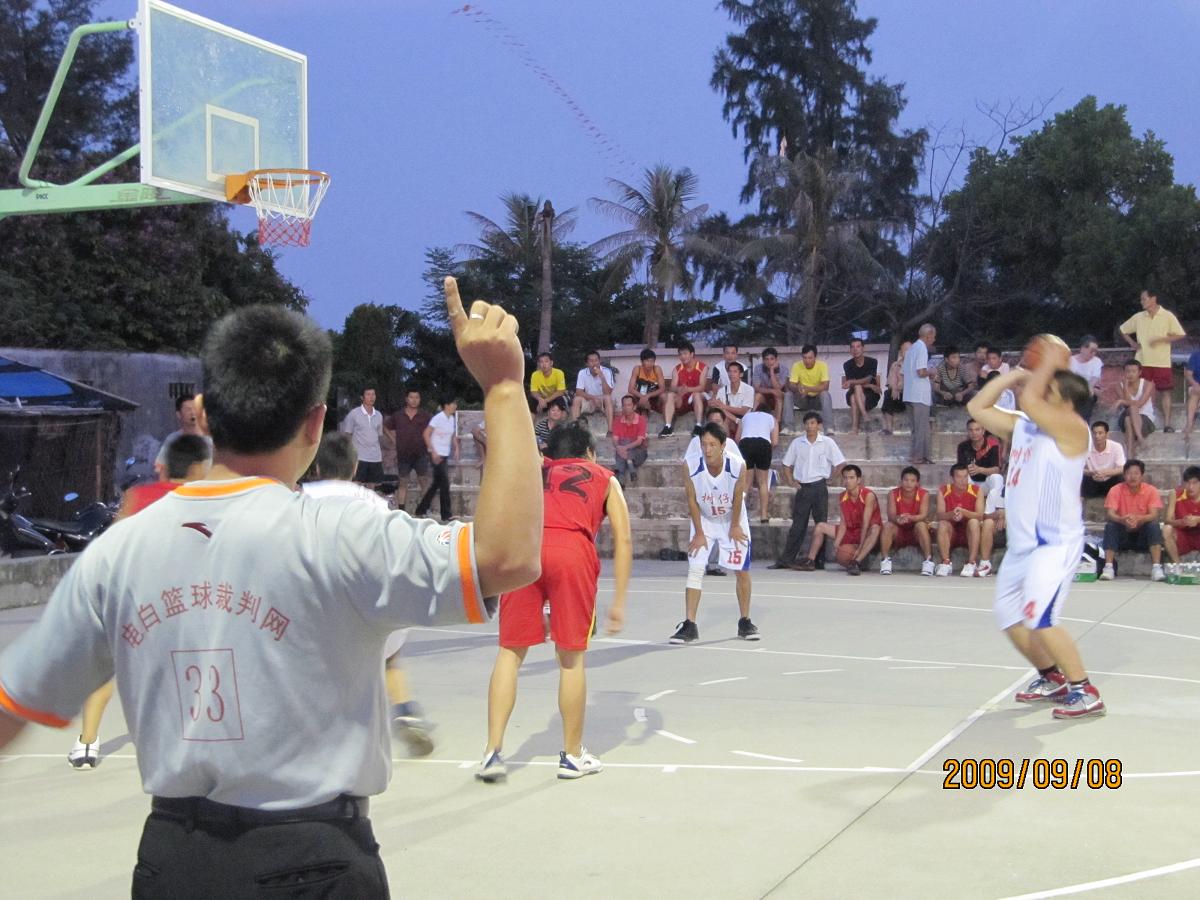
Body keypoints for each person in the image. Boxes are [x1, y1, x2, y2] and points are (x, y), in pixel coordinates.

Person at [0, 279, 543, 896]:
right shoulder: (341, 531)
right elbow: (507, 556)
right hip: (313, 858)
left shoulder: (117, 550)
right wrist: (503, 387)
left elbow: (13, 703)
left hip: (172, 860)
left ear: (204, 413)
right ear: (316, 423)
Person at [477, 422, 632, 783]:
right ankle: (572, 755)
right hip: (571, 552)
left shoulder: (535, 469)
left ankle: (492, 752)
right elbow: (623, 539)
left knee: (510, 653)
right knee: (571, 658)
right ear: (590, 453)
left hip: (526, 549)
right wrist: (619, 602)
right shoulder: (604, 477)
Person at [967, 337, 1106, 718]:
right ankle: (1051, 677)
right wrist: (1014, 374)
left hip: (1054, 544)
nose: (1039, 388)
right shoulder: (1025, 425)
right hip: (1022, 545)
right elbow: (977, 407)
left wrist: (1047, 362)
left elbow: (1030, 399)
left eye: (1049, 388)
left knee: (1041, 617)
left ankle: (1085, 690)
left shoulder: (1074, 429)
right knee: (1010, 617)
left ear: (1066, 401)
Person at [67, 434, 213, 769]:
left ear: (163, 466)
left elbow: (114, 544)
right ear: (198, 468)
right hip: (180, 602)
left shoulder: (138, 495)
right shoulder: (205, 499)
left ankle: (86, 742)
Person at [302, 433, 434, 757]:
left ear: (316, 468)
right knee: (389, 658)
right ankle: (405, 709)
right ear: (354, 467)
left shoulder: (299, 499)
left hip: (318, 605)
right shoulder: (376, 504)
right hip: (375, 602)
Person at [669, 422, 759, 644]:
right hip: (705, 519)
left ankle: (745, 621)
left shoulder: (738, 465)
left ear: (723, 445)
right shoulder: (690, 465)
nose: (707, 449)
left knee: (741, 570)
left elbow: (738, 497)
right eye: (704, 444)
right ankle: (690, 624)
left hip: (732, 518)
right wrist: (699, 533)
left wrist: (735, 526)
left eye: (712, 444)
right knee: (695, 567)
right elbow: (691, 500)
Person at [771, 412, 845, 570]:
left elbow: (840, 463)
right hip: (803, 488)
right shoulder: (797, 443)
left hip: (819, 487)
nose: (809, 426)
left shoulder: (827, 442)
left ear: (819, 425)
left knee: (821, 524)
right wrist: (790, 481)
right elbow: (786, 464)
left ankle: (818, 561)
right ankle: (786, 559)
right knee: (798, 525)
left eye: (812, 423)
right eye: (807, 423)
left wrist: (832, 478)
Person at [794, 465, 880, 575]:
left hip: (866, 532)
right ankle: (810, 561)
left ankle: (856, 562)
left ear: (859, 480)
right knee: (820, 526)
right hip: (851, 531)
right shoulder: (843, 496)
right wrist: (837, 543)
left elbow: (866, 524)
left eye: (851, 478)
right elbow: (843, 523)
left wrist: (860, 547)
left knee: (875, 528)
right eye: (845, 478)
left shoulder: (868, 495)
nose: (848, 481)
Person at [1120, 288, 1186, 431]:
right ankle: (1143, 421)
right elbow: (1123, 329)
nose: (1141, 301)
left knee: (1165, 392)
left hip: (1162, 362)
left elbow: (1180, 334)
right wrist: (1132, 343)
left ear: (1153, 299)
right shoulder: (1138, 317)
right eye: (1141, 299)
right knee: (1142, 392)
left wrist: (1162, 339)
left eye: (1144, 298)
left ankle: (1167, 424)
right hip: (1142, 361)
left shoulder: (1167, 315)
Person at [1100, 459, 1165, 582]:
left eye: (1136, 473)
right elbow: (1110, 513)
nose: (1132, 477)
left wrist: (1139, 519)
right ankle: (1108, 567)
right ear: (1124, 475)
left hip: (1142, 535)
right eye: (1129, 473)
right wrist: (1122, 519)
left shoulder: (1151, 490)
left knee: (1154, 525)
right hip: (1123, 533)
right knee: (1111, 526)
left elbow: (1154, 514)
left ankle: (1156, 568)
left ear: (1142, 475)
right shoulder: (1115, 490)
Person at [878, 466, 934, 576]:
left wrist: (910, 518)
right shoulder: (893, 493)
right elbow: (891, 515)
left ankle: (928, 561)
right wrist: (898, 519)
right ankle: (885, 560)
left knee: (921, 525)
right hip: (899, 529)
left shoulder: (924, 494)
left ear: (917, 483)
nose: (909, 483)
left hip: (916, 530)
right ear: (901, 481)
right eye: (906, 480)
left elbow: (923, 515)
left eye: (912, 481)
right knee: (888, 525)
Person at [385, 388, 432, 511]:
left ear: (420, 400)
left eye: (417, 397)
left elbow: (434, 429)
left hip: (421, 454)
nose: (414, 400)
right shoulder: (398, 415)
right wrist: (393, 440)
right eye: (411, 397)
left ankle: (424, 509)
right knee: (402, 483)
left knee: (423, 482)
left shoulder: (425, 415)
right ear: (406, 399)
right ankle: (401, 510)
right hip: (403, 455)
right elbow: (385, 427)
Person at [934, 464, 985, 577]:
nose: (962, 480)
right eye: (959, 477)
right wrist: (952, 514)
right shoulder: (943, 490)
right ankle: (946, 562)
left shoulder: (977, 490)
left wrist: (964, 512)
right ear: (952, 478)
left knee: (974, 522)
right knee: (942, 523)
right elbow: (940, 515)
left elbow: (980, 516)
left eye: (965, 477)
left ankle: (971, 562)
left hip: (969, 532)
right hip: (951, 532)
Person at [415, 397, 459, 521]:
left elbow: (452, 435)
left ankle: (421, 509)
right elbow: (426, 434)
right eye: (453, 404)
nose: (455, 406)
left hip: (444, 454)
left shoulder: (452, 419)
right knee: (444, 484)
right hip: (436, 454)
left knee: (436, 484)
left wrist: (456, 447)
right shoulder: (438, 418)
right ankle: (446, 514)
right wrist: (432, 451)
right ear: (446, 405)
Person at [737, 401, 779, 523]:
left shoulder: (746, 417)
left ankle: (739, 515)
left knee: (746, 483)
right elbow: (775, 442)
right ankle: (764, 515)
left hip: (746, 443)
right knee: (763, 482)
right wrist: (766, 452)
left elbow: (737, 438)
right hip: (763, 443)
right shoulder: (772, 418)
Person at [154, 394, 213, 477]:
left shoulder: (211, 439)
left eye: (195, 408)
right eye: (188, 409)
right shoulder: (172, 439)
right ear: (178, 414)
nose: (192, 412)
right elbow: (161, 468)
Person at [903, 325, 936, 464]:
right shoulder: (921, 348)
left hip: (909, 393)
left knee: (916, 429)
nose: (934, 340)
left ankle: (919, 455)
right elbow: (921, 372)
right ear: (928, 335)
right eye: (933, 337)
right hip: (919, 395)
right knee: (922, 428)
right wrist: (932, 371)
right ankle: (919, 457)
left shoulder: (911, 349)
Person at [660, 341, 708, 437]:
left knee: (696, 394)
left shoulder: (703, 367)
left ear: (691, 354)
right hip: (682, 399)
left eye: (685, 354)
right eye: (680, 354)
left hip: (697, 399)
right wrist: (679, 389)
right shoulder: (677, 369)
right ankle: (668, 427)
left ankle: (698, 426)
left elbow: (702, 387)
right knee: (670, 395)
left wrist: (688, 389)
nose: (683, 356)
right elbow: (673, 387)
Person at [339, 387, 385, 485]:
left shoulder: (379, 415)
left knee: (372, 485)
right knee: (356, 485)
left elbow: (379, 435)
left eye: (373, 394)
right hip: (359, 457)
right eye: (368, 394)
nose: (371, 397)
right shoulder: (354, 414)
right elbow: (347, 434)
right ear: (362, 397)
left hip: (375, 457)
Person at [957, 418, 1005, 504]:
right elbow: (959, 468)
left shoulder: (993, 445)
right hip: (971, 483)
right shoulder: (962, 446)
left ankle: (993, 507)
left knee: (997, 478)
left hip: (986, 483)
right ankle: (964, 505)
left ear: (983, 431)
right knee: (961, 477)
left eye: (977, 430)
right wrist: (967, 470)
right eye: (971, 430)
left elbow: (996, 470)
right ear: (967, 431)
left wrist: (979, 470)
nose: (974, 433)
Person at [788, 344, 835, 433]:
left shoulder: (822, 365)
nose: (807, 361)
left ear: (815, 357)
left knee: (825, 394)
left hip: (817, 400)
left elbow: (826, 386)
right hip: (803, 398)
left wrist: (808, 389)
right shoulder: (796, 365)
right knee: (788, 394)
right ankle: (788, 428)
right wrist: (798, 388)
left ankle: (829, 428)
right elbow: (791, 385)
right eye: (804, 358)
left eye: (810, 358)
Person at [1162, 466, 1200, 574]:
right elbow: (1167, 520)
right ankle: (1178, 567)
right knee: (1167, 529)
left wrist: (1197, 519)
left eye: (1195, 483)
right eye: (1187, 483)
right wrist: (1182, 521)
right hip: (1183, 534)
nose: (1191, 487)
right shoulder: (1175, 494)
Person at [1114, 359, 1156, 454]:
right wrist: (1125, 386)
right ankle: (1140, 438)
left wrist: (1122, 401)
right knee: (1131, 410)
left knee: (1128, 419)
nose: (1130, 374)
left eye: (1134, 371)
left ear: (1139, 372)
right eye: (1128, 371)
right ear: (1124, 372)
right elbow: (1127, 406)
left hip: (1145, 418)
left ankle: (1129, 454)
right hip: (1125, 414)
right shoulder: (1118, 386)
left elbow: (1140, 404)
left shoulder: (1147, 384)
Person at [842, 338, 881, 434]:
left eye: (858, 346)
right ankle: (865, 415)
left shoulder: (872, 362)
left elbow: (867, 379)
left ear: (863, 348)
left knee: (854, 396)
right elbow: (852, 384)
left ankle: (855, 428)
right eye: (853, 347)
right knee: (856, 389)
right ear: (850, 350)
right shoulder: (847, 364)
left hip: (870, 395)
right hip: (856, 391)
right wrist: (870, 385)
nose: (855, 349)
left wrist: (853, 381)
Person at [571, 350, 615, 433]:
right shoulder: (582, 373)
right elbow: (579, 392)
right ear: (587, 363)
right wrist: (593, 398)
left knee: (608, 398)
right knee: (576, 399)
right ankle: (575, 428)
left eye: (596, 360)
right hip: (589, 399)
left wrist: (602, 377)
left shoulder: (606, 371)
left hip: (602, 400)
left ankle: (610, 430)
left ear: (599, 361)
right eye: (591, 361)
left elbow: (608, 392)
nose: (594, 363)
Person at [1081, 421, 1126, 499]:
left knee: (1122, 477)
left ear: (1107, 434)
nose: (1097, 436)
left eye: (1100, 433)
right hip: (1092, 479)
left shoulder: (1116, 447)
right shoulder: (1085, 447)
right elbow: (1078, 468)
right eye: (1094, 433)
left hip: (1111, 479)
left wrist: (1107, 473)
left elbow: (1122, 468)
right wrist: (1091, 473)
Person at [611, 395, 648, 486]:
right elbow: (615, 440)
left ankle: (620, 475)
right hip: (622, 451)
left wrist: (624, 448)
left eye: (629, 405)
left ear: (634, 407)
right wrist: (618, 447)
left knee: (625, 443)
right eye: (624, 405)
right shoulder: (617, 420)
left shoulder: (641, 420)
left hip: (639, 453)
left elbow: (639, 442)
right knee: (623, 444)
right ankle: (630, 468)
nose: (626, 408)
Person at [709, 360, 754, 432]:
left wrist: (724, 406)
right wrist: (736, 420)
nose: (731, 374)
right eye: (729, 371)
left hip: (745, 420)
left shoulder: (749, 389)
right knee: (721, 416)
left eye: (735, 371)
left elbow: (743, 411)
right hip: (730, 419)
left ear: (741, 374)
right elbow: (718, 408)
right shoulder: (722, 390)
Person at [1069, 336, 1103, 421]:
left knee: (1088, 397)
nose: (1093, 354)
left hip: (1089, 391)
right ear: (1083, 348)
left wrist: (1089, 387)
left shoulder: (1096, 361)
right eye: (1091, 351)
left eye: (1095, 351)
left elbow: (1095, 378)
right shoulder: (1071, 361)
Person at [752, 346, 789, 427]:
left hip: (779, 398)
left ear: (776, 359)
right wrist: (771, 391)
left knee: (777, 393)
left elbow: (778, 388)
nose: (769, 362)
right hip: (765, 397)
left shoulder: (784, 369)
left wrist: (772, 371)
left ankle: (777, 424)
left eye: (772, 359)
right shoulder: (758, 368)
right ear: (763, 360)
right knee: (757, 396)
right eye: (766, 359)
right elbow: (756, 388)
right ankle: (752, 421)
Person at [881, 341, 909, 435]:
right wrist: (894, 388)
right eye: (906, 350)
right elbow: (890, 382)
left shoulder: (916, 366)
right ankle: (889, 428)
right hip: (899, 395)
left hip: (912, 396)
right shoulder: (895, 365)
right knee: (888, 394)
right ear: (901, 353)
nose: (908, 352)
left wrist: (899, 387)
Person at [628, 348, 667, 416]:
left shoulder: (657, 369)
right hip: (640, 395)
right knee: (628, 397)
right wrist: (642, 397)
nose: (650, 364)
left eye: (652, 361)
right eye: (647, 361)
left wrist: (648, 396)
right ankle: (631, 419)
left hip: (654, 396)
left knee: (664, 396)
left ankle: (666, 420)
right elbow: (630, 389)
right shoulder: (637, 369)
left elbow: (662, 388)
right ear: (642, 361)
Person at [1184, 343, 1200, 436]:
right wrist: (1195, 383)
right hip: (1197, 386)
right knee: (1195, 394)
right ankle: (1189, 424)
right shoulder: (1195, 355)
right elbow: (1188, 374)